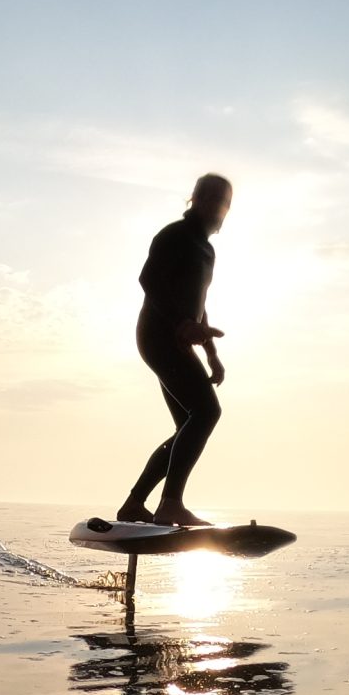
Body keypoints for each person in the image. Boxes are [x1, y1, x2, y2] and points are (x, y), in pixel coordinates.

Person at [116, 173, 231, 527]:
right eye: (211, 199)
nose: (218, 208)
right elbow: (147, 279)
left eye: (224, 202)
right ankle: (171, 504)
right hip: (158, 335)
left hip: (178, 340)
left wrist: (211, 353)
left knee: (188, 425)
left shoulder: (206, 250)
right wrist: (180, 323)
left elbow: (199, 304)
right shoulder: (174, 236)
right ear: (194, 199)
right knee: (207, 412)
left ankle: (134, 504)